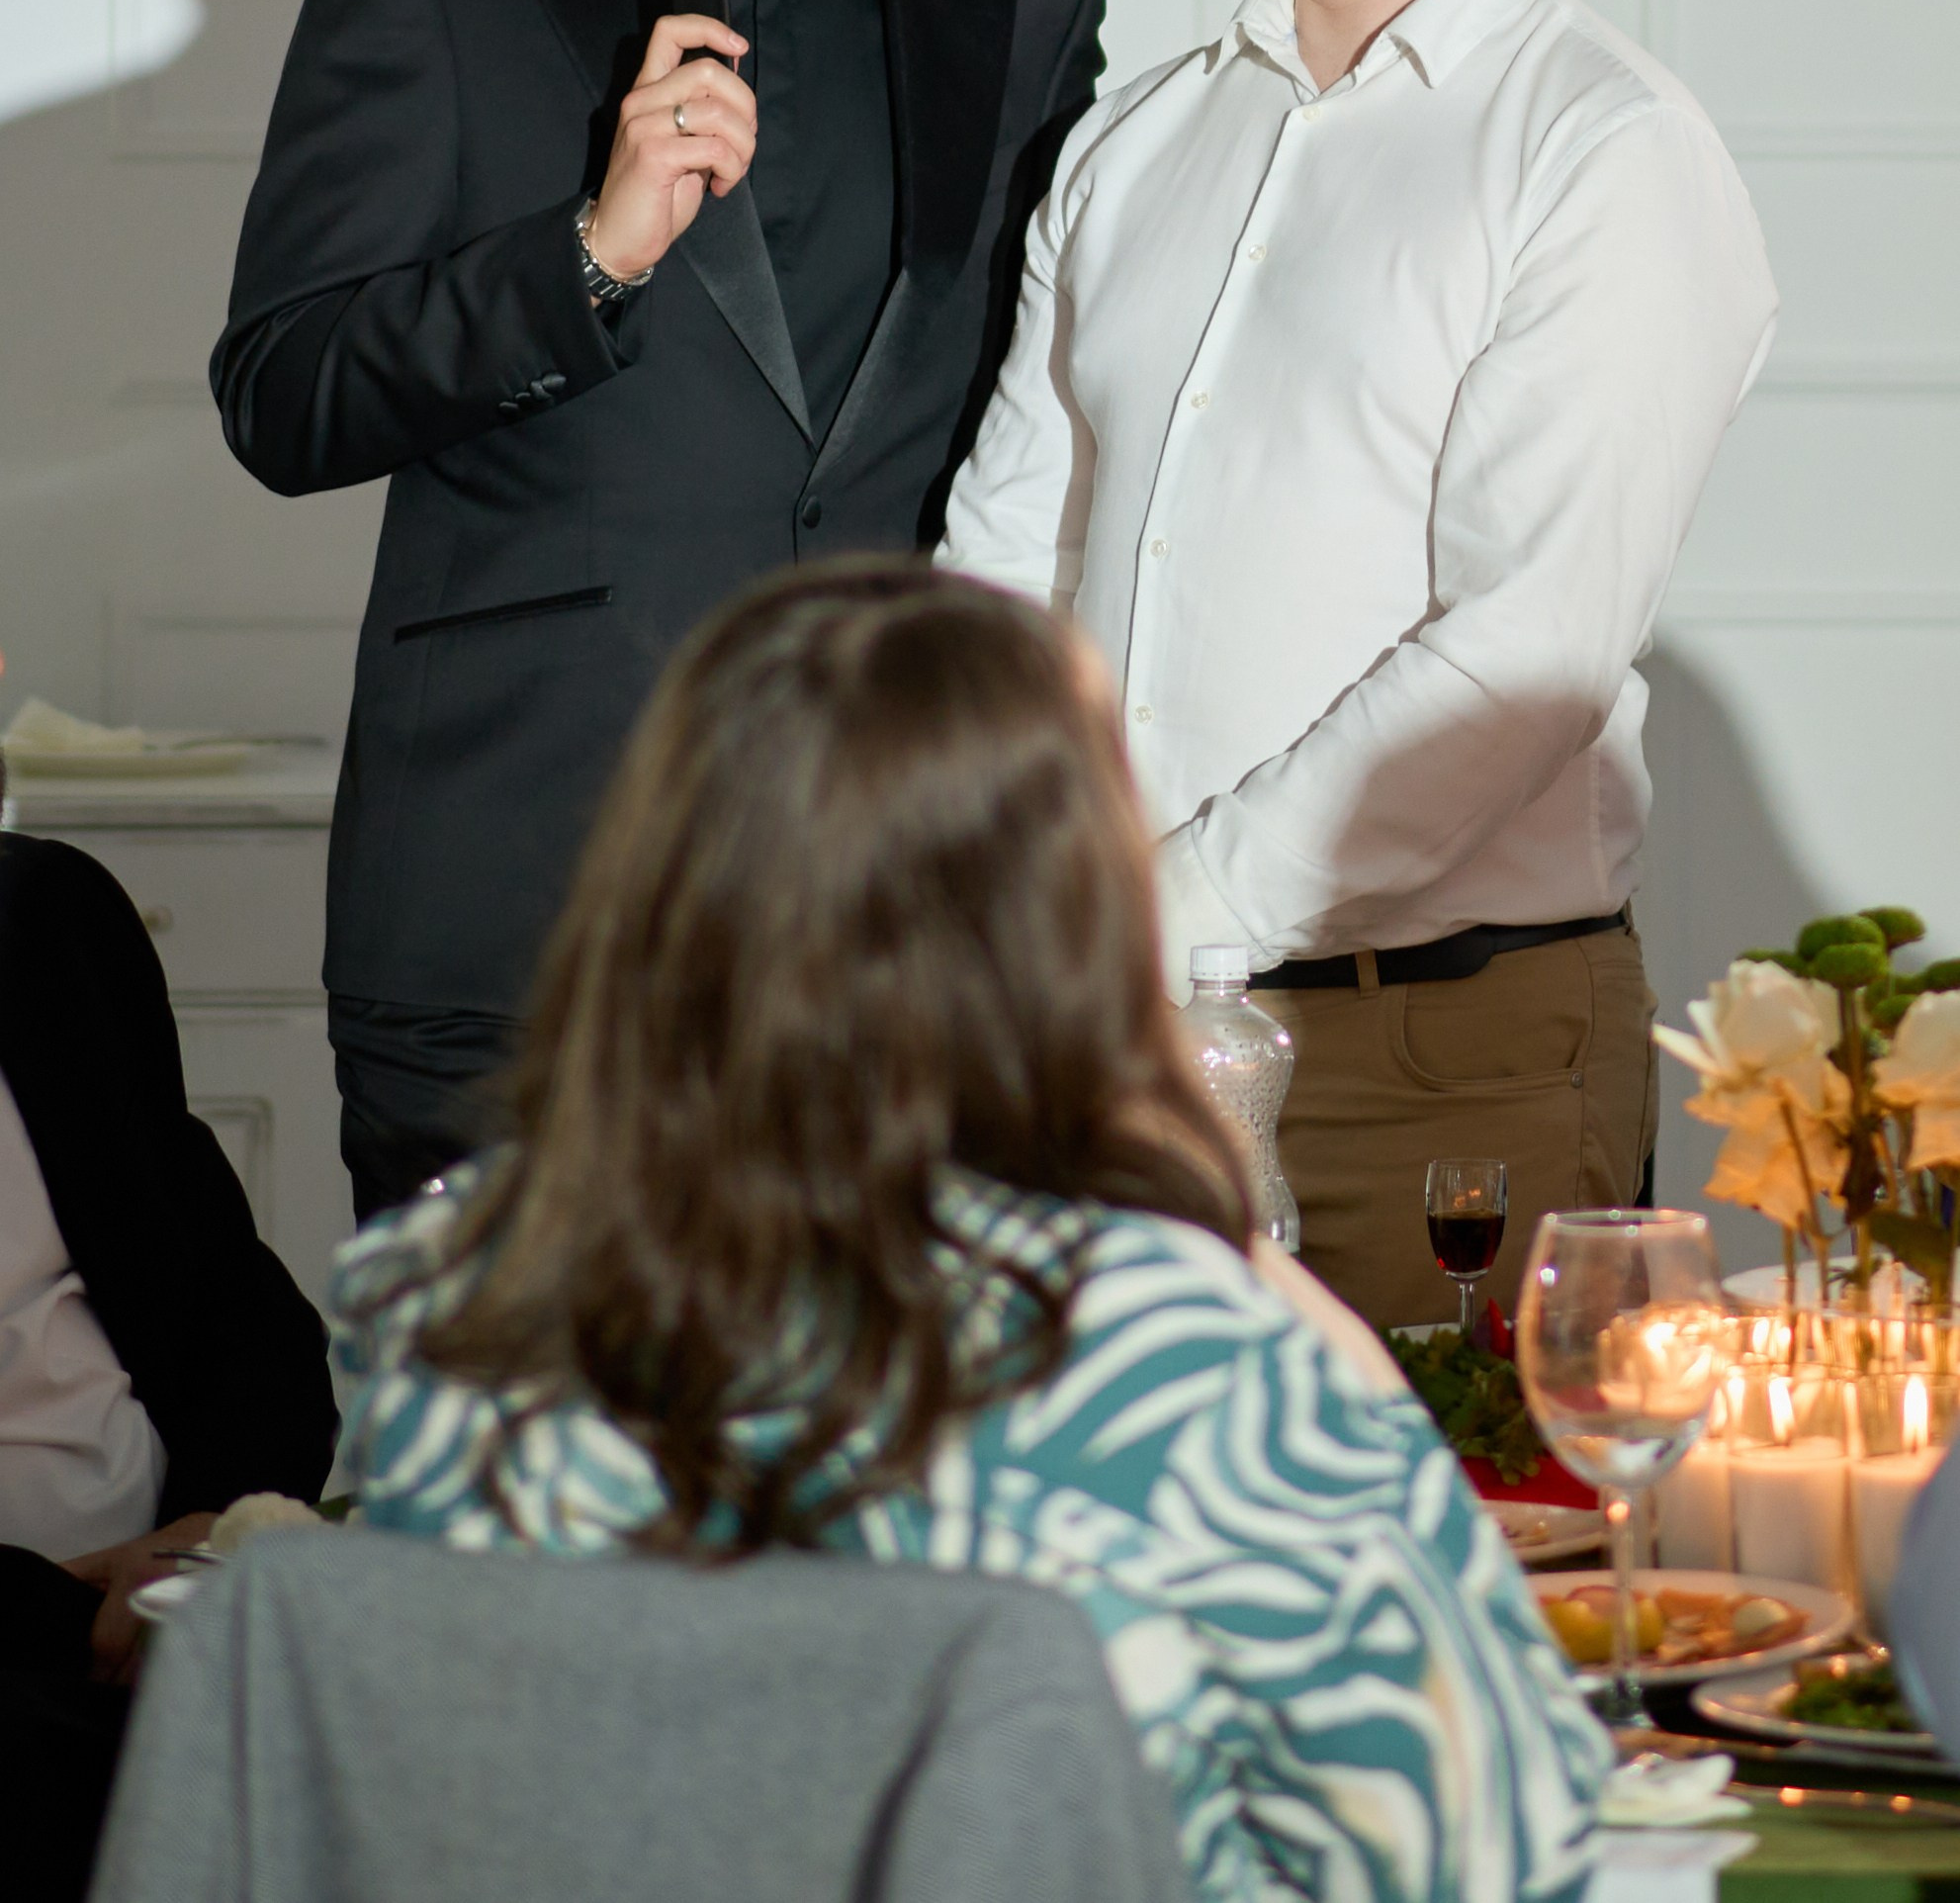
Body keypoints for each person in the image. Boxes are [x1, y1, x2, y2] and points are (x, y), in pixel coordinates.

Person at [333, 560, 1609, 1902]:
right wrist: (1276, 1302)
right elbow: (1498, 1851)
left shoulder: (442, 1298)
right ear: (1071, 906)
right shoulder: (1179, 1354)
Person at [212, 0, 1105, 1223]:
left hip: (889, 934)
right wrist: (588, 256)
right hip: (521, 922)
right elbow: (283, 393)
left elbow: (1041, 402)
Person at [938, 0, 1778, 1330]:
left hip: (1441, 1066)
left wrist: (1155, 916)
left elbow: (1522, 649)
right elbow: (1004, 563)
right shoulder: (1137, 139)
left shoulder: (1605, 152)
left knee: (1467, 1518)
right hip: (1084, 1057)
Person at [0, 789, 339, 1901]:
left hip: (169, 1608)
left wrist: (210, 1534)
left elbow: (241, 1310)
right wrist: (84, 1616)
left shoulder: (41, 916)